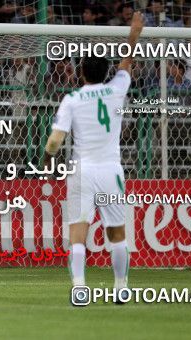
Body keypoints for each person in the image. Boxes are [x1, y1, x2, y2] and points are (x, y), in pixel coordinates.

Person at [43, 11, 144, 305]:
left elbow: (55, 141)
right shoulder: (117, 89)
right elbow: (127, 61)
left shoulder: (72, 99)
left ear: (81, 74)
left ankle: (79, 288)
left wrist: (47, 160)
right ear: (105, 73)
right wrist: (134, 33)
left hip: (83, 171)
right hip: (111, 171)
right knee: (117, 234)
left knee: (78, 231)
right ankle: (121, 287)